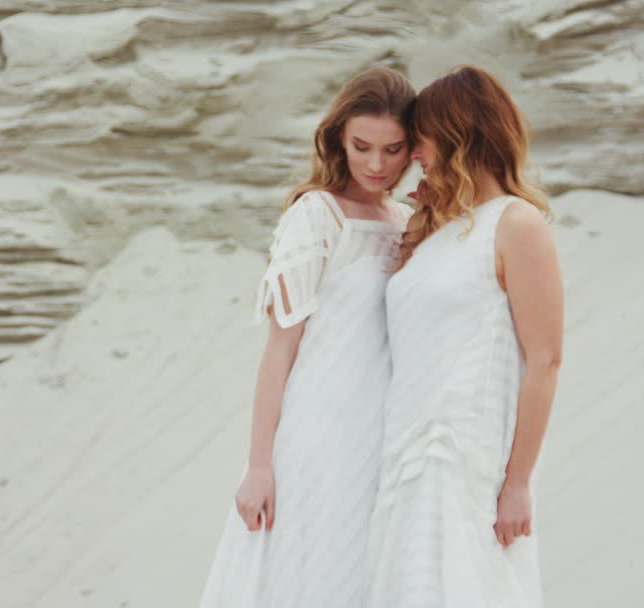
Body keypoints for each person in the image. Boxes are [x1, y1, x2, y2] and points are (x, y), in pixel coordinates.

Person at [199, 66, 417, 608]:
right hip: (319, 438)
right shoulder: (316, 216)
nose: (375, 164)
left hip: (386, 440)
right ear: (338, 138)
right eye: (362, 146)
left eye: (393, 150)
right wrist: (258, 467)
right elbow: (279, 352)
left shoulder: (408, 220)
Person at [365, 65, 564, 607]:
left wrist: (517, 481)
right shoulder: (437, 229)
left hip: (464, 458)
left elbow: (545, 361)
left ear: (457, 136)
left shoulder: (516, 224)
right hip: (404, 456)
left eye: (421, 139)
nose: (413, 156)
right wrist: (426, 215)